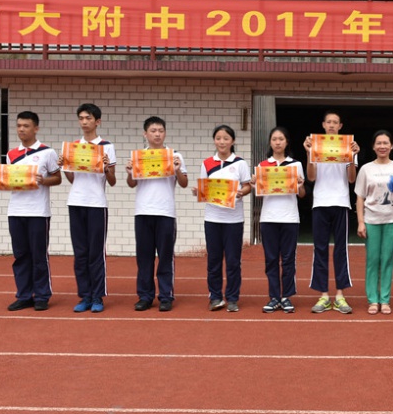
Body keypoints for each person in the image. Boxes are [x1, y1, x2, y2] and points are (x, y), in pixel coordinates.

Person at [0, 111, 62, 311]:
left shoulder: (47, 152)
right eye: (19, 126)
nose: (21, 129)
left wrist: (44, 180)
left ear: (36, 128)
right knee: (20, 255)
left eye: (26, 126)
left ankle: (42, 295)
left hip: (38, 212)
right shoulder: (11, 154)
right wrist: (1, 179)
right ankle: (24, 295)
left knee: (39, 256)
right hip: (16, 211)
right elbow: (10, 182)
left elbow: (58, 178)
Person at [58, 103, 116, 314]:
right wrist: (64, 165)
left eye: (88, 118)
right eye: (81, 118)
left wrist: (107, 167)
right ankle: (85, 295)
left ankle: (98, 296)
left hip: (97, 204)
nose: (84, 122)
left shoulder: (106, 146)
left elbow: (112, 181)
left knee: (96, 253)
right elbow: (72, 179)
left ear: (97, 121)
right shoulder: (73, 147)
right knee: (80, 252)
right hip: (76, 202)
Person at [126, 116, 187, 312]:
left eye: (160, 131)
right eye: (153, 131)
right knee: (144, 258)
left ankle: (166, 296)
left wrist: (177, 170)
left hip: (165, 212)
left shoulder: (174, 155)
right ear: (145, 134)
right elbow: (131, 184)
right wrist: (129, 172)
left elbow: (184, 183)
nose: (157, 134)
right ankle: (145, 296)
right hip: (143, 211)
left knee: (165, 256)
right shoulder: (139, 156)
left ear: (165, 133)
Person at [302, 111, 360, 315]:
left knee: (340, 250)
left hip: (341, 202)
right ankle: (324, 295)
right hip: (320, 202)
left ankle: (340, 295)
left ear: (340, 126)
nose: (332, 125)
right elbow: (311, 177)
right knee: (320, 249)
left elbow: (351, 179)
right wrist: (309, 153)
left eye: (336, 122)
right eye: (329, 122)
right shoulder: (315, 145)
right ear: (323, 125)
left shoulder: (348, 146)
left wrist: (352, 157)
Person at [194, 125, 252, 312]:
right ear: (214, 140)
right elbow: (204, 189)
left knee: (233, 261)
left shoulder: (240, 163)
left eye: (226, 138)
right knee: (214, 261)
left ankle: (233, 298)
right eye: (218, 138)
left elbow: (248, 186)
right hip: (212, 219)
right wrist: (199, 191)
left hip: (234, 220)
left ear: (232, 141)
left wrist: (242, 192)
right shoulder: (207, 163)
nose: (222, 142)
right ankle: (215, 297)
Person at [355, 130, 393, 315]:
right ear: (373, 146)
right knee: (372, 261)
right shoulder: (366, 169)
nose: (382, 146)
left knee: (387, 260)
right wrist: (361, 222)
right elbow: (360, 197)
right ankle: (373, 300)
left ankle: (385, 299)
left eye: (386, 143)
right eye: (378, 143)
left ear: (391, 146)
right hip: (371, 220)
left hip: (392, 219)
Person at [253, 126, 306, 313]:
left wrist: (300, 185)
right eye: (274, 139)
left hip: (290, 217)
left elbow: (302, 194)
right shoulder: (262, 166)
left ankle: (286, 296)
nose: (277, 142)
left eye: (281, 139)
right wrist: (255, 183)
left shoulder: (295, 165)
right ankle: (274, 297)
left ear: (286, 142)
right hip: (268, 218)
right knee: (271, 259)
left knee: (288, 258)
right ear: (270, 142)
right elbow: (260, 195)